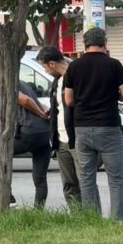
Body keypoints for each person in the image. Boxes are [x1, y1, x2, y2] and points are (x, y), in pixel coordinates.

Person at [64, 27, 123, 221]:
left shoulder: (74, 67)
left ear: (85, 44)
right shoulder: (114, 65)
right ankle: (117, 220)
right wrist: (114, 94)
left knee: (86, 178)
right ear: (105, 43)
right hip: (109, 127)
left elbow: (68, 100)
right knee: (116, 179)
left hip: (82, 128)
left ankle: (92, 219)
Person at [0, 65, 51, 208]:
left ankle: (8, 198)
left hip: (29, 131)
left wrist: (41, 114)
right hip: (43, 132)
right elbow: (33, 100)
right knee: (40, 178)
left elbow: (25, 100)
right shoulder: (18, 81)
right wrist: (43, 111)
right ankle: (38, 210)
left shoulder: (5, 84)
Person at [37, 45, 82, 207]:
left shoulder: (76, 76)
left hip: (77, 139)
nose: (45, 71)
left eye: (44, 66)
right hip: (61, 140)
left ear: (51, 64)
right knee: (69, 184)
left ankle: (91, 217)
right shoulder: (57, 81)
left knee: (85, 181)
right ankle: (76, 217)